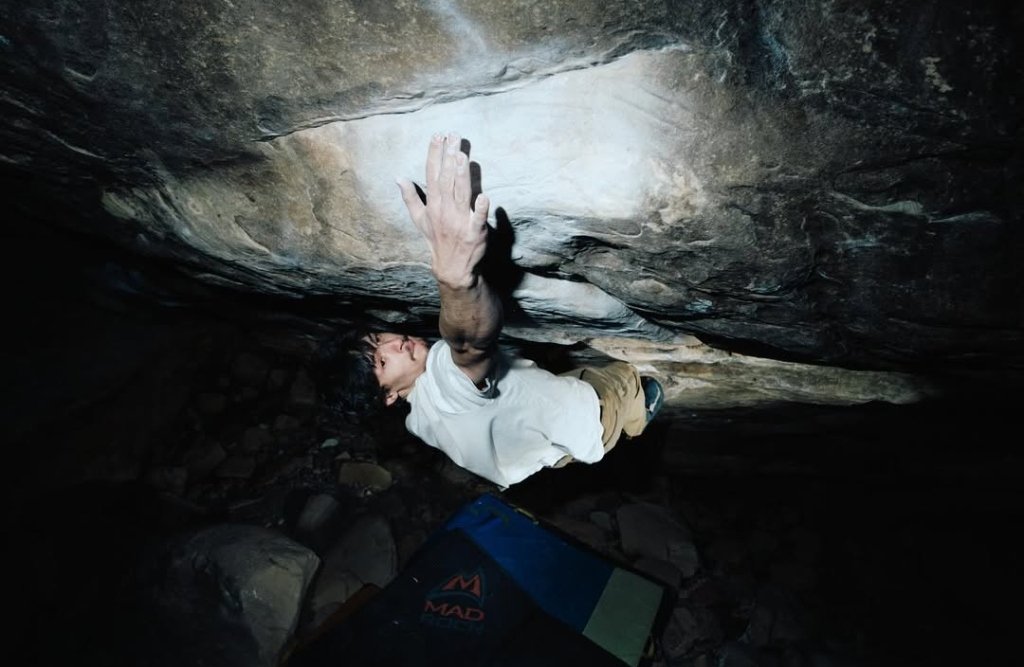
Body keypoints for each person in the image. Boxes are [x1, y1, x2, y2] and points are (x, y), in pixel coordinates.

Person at [329, 132, 664, 489]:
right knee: (625, 377)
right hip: (590, 419)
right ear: (389, 395)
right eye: (382, 362)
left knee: (547, 384)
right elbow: (468, 345)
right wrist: (458, 281)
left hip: (545, 450)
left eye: (379, 339)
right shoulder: (442, 379)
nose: (396, 344)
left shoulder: (417, 422)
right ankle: (635, 416)